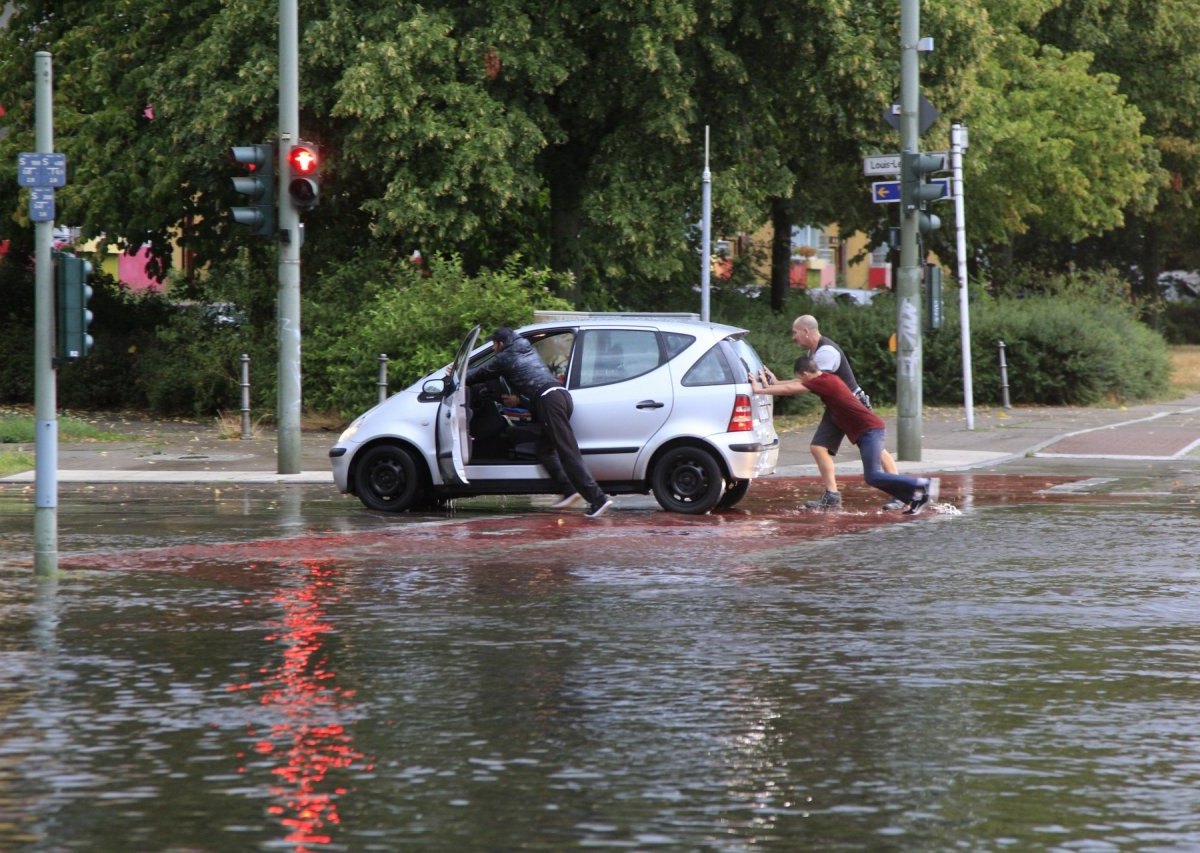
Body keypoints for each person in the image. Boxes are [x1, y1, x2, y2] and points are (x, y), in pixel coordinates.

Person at [750, 357, 939, 514]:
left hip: (870, 430)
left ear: (806, 374)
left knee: (873, 475)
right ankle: (914, 498)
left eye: (801, 378)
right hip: (865, 431)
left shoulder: (823, 383)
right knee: (872, 477)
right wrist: (772, 383)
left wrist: (760, 389)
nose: (801, 381)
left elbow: (792, 389)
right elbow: (795, 384)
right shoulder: (826, 377)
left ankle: (923, 483)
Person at [465, 327, 613, 517]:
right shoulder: (526, 349)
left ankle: (598, 499)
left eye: (494, 345)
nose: (494, 349)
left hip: (548, 401)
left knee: (567, 452)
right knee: (545, 448)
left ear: (500, 343)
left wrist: (457, 376)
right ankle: (569, 490)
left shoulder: (505, 357)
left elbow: (480, 374)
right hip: (560, 396)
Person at [782, 314, 901, 510]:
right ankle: (832, 496)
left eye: (795, 333)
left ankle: (898, 493)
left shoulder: (826, 352)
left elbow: (807, 384)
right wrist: (774, 384)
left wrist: (770, 387)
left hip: (853, 406)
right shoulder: (814, 352)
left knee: (875, 449)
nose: (794, 337)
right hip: (836, 408)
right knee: (818, 447)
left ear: (806, 331)